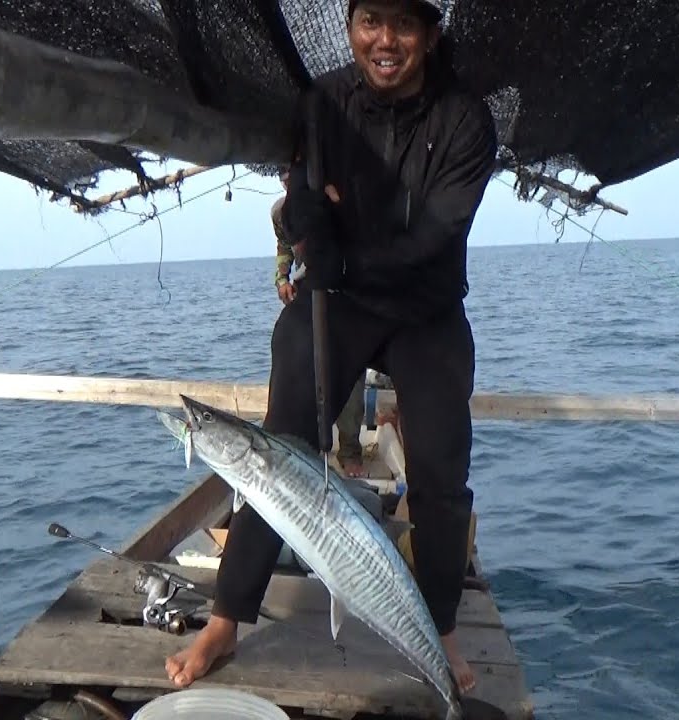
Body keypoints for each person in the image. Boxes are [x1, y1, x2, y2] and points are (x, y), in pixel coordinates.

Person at [166, 0, 496, 695]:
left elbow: (435, 235)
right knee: (279, 443)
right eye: (370, 20)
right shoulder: (322, 104)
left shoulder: (466, 121)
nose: (385, 40)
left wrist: (346, 249)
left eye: (404, 25)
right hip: (336, 304)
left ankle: (440, 626)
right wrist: (312, 217)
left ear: (430, 36)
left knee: (440, 467)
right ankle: (228, 616)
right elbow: (303, 203)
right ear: (351, 27)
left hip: (427, 307)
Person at [272, 172, 370, 477]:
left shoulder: (341, 202)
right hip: (310, 289)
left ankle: (351, 447)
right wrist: (282, 279)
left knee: (349, 370)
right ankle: (297, 446)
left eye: (296, 179)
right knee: (295, 361)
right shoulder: (281, 213)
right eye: (287, 181)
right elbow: (283, 247)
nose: (291, 186)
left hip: (349, 290)